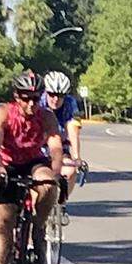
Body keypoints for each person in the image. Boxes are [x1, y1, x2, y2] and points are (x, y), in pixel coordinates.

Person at [0, 71, 64, 264]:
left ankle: (38, 227)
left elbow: (55, 148)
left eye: (35, 97)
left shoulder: (46, 117)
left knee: (48, 184)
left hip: (32, 161)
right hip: (5, 163)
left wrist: (57, 173)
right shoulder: (3, 114)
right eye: (25, 97)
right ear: (16, 96)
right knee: (5, 222)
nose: (31, 103)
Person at [40, 71, 84, 200]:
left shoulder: (70, 103)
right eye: (52, 94)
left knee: (70, 171)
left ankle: (61, 202)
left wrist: (77, 157)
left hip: (60, 148)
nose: (56, 99)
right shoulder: (39, 102)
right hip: (38, 146)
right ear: (46, 92)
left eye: (60, 95)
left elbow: (73, 130)